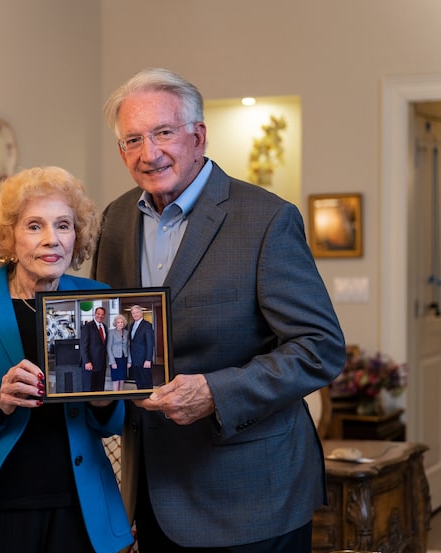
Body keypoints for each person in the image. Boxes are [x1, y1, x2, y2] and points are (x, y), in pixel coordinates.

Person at [92, 68, 346, 552]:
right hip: (151, 490)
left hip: (251, 498)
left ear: (198, 135)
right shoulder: (114, 220)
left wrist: (215, 391)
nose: (150, 153)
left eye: (164, 132)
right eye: (132, 140)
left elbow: (321, 349)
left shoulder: (266, 219)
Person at [0, 166, 133, 553]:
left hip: (80, 508)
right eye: (35, 226)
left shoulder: (97, 297)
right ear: (8, 236)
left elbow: (115, 417)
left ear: (76, 236)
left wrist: (104, 400)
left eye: (63, 225)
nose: (52, 240)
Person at [79, 306, 109, 391]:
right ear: (95, 314)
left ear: (104, 316)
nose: (100, 316)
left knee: (99, 388)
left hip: (101, 365)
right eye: (98, 314)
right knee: (89, 389)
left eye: (102, 314)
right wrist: (87, 361)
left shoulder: (104, 327)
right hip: (90, 364)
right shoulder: (87, 327)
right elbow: (83, 346)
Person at [127, 305, 155, 390]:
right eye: (133, 313)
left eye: (137, 312)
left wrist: (148, 359)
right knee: (138, 381)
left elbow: (150, 344)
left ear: (141, 313)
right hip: (135, 360)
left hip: (144, 360)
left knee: (146, 381)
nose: (135, 314)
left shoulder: (147, 325)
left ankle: (149, 399)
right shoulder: (131, 326)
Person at [106, 314, 130, 391]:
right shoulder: (111, 332)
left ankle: (121, 395)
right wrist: (112, 362)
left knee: (122, 378)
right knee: (116, 379)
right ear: (115, 323)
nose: (120, 324)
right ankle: (115, 395)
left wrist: (129, 361)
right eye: (118, 322)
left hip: (124, 358)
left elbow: (128, 347)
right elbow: (109, 347)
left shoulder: (126, 332)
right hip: (115, 359)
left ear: (124, 323)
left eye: (121, 322)